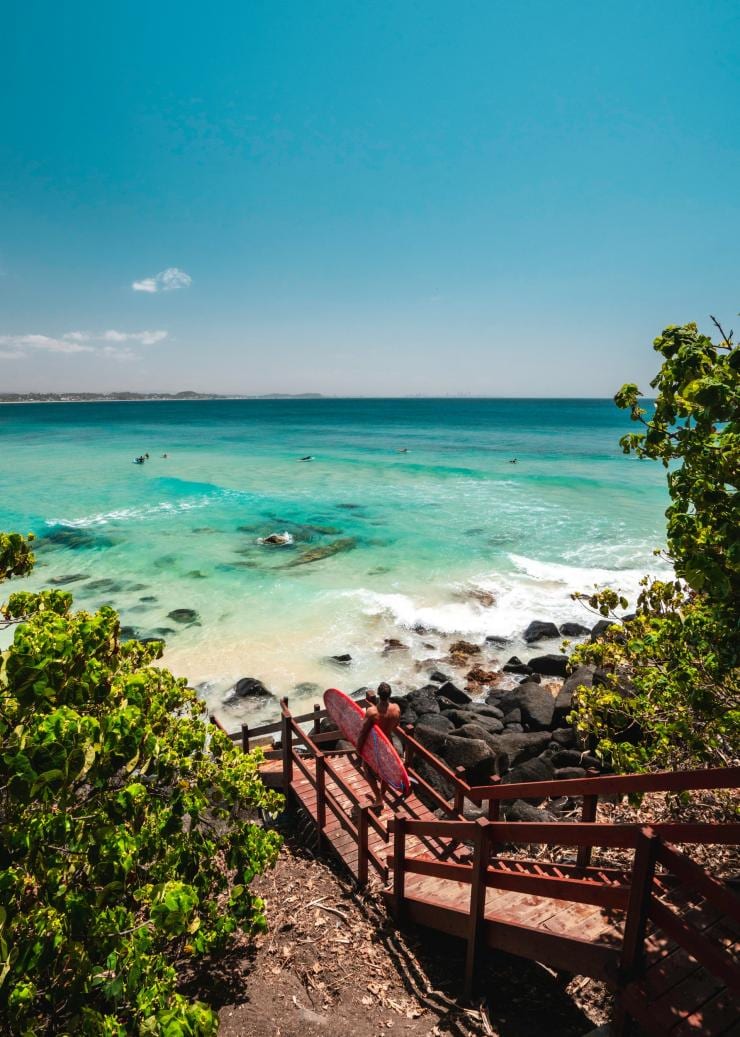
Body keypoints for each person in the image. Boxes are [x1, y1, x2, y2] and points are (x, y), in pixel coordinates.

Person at [356, 682, 401, 809]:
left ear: (378, 694)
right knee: (385, 772)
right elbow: (396, 725)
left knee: (367, 770)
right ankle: (381, 794)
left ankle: (378, 798)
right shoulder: (396, 709)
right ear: (390, 694)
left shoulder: (372, 712)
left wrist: (359, 749)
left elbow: (363, 732)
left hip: (374, 746)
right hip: (388, 744)